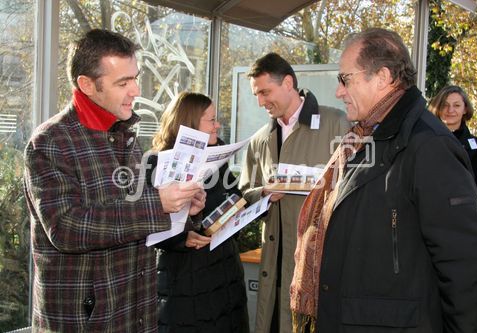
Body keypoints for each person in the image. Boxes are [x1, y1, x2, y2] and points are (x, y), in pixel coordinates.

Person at [290, 28, 477, 333]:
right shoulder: (363, 139)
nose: (339, 92)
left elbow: (466, 265)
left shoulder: (428, 145)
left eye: (345, 79)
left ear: (383, 77)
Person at [23, 29, 205, 332]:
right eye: (123, 82)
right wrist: (157, 205)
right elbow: (66, 228)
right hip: (85, 321)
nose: (135, 90)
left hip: (135, 313)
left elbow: (133, 215)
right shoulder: (50, 141)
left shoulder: (124, 135)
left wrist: (181, 208)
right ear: (87, 85)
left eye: (135, 77)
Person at [239, 52, 350, 333]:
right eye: (256, 94)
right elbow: (243, 193)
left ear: (288, 83)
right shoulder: (259, 140)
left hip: (317, 269)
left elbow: (355, 191)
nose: (260, 101)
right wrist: (262, 192)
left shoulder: (337, 123)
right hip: (273, 268)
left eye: (265, 92)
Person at [147, 91, 249, 333]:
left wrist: (240, 211)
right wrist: (182, 238)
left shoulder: (218, 156)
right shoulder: (157, 163)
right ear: (190, 123)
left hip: (226, 275)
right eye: (211, 120)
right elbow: (146, 222)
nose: (218, 125)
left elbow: (235, 197)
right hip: (184, 280)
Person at [429, 85, 477, 193]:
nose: (450, 110)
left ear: (465, 109)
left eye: (456, 105)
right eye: (445, 105)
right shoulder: (424, 141)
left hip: (462, 206)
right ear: (438, 108)